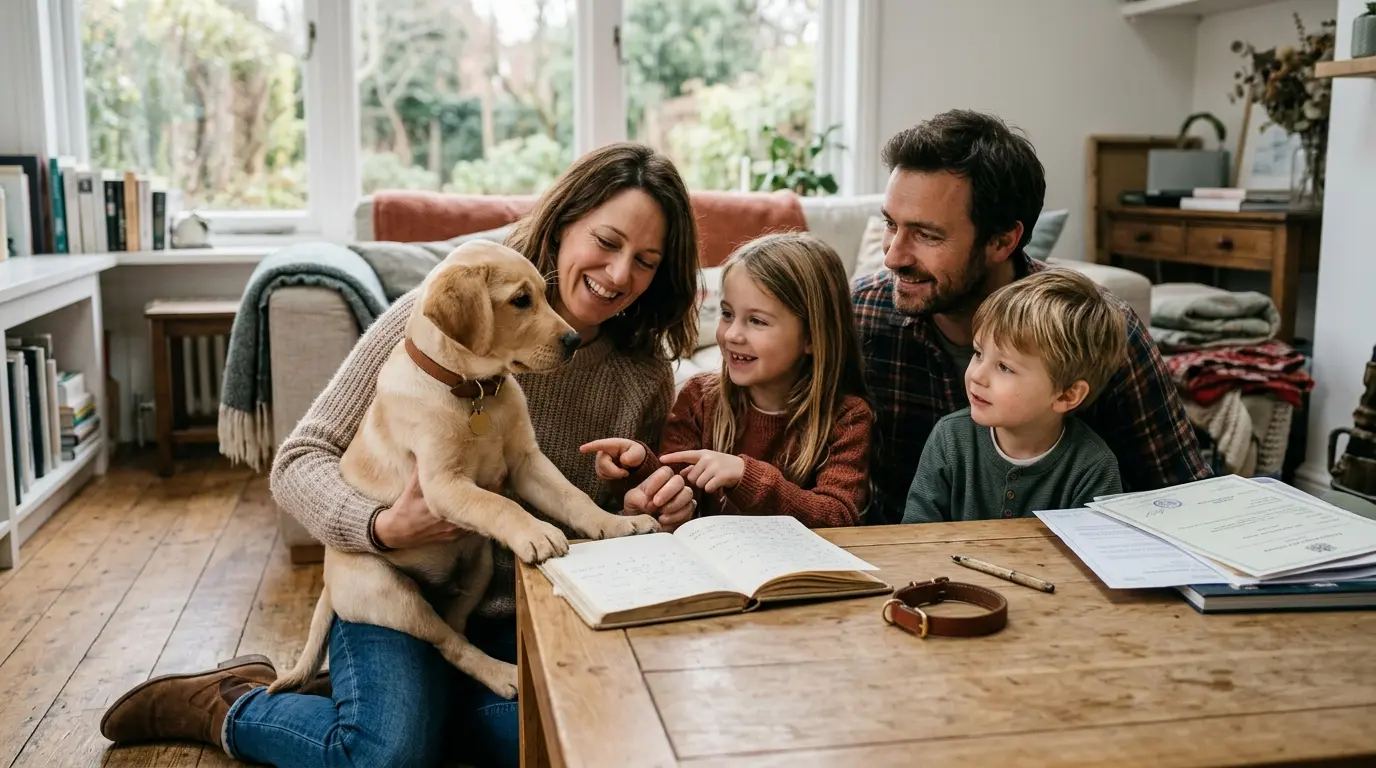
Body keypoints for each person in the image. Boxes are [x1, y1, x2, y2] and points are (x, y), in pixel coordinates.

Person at [99, 143, 702, 768]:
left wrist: (643, 494)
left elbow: (598, 511)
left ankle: (398, 702)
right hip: (390, 578)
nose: (620, 272)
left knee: (559, 738)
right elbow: (298, 460)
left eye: (647, 262)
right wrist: (380, 527)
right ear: (565, 221)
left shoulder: (644, 374)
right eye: (606, 241)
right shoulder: (430, 330)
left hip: (513, 612)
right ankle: (229, 704)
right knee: (387, 755)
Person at [852, 109, 1209, 524]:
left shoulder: (1097, 330)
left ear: (1003, 240)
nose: (893, 255)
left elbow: (1183, 498)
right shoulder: (860, 315)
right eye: (891, 225)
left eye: (928, 235)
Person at [582, 232, 872, 530]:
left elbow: (839, 515)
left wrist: (746, 477)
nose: (732, 334)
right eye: (727, 314)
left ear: (812, 336)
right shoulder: (699, 398)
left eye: (757, 321)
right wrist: (637, 466)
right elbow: (676, 488)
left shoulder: (847, 417)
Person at [902, 268, 1125, 524]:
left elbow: (1090, 556)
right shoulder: (950, 438)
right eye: (978, 353)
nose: (977, 376)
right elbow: (915, 535)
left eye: (1004, 367)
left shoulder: (1093, 467)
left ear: (1067, 395)